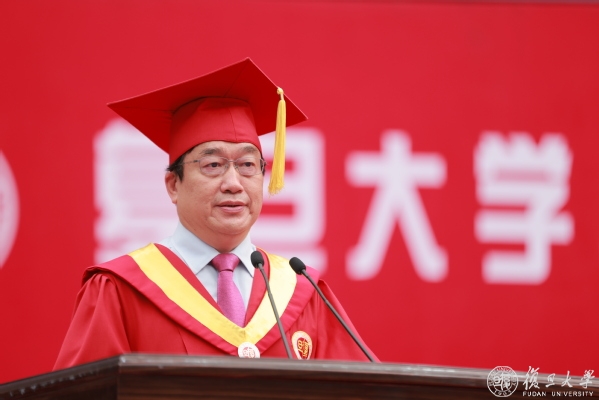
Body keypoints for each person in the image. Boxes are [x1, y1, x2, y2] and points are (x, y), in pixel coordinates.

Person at [54, 58, 377, 369]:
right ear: (173, 184)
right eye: (213, 165)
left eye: (247, 165)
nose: (234, 183)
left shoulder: (301, 291)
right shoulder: (121, 290)